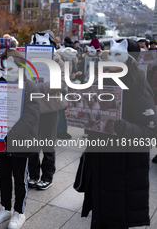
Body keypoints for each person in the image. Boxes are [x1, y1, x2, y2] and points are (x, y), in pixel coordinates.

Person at [71, 39, 157, 229]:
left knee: (117, 216)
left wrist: (122, 127)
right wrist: (82, 114)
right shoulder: (100, 82)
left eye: (117, 55)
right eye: (109, 54)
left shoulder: (138, 89)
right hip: (101, 161)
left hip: (124, 166)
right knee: (101, 214)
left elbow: (150, 131)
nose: (110, 59)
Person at [0, 50, 40, 229]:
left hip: (20, 141)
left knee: (20, 178)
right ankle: (5, 207)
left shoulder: (30, 87)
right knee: (3, 176)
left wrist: (11, 135)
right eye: (3, 68)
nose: (6, 73)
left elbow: (32, 115)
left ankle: (19, 212)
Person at [28, 30, 66, 190]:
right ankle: (34, 175)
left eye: (44, 43)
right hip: (31, 107)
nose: (41, 47)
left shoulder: (58, 61)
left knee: (48, 144)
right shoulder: (28, 59)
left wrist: (42, 86)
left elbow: (62, 83)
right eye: (37, 44)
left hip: (50, 109)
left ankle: (47, 176)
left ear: (52, 44)